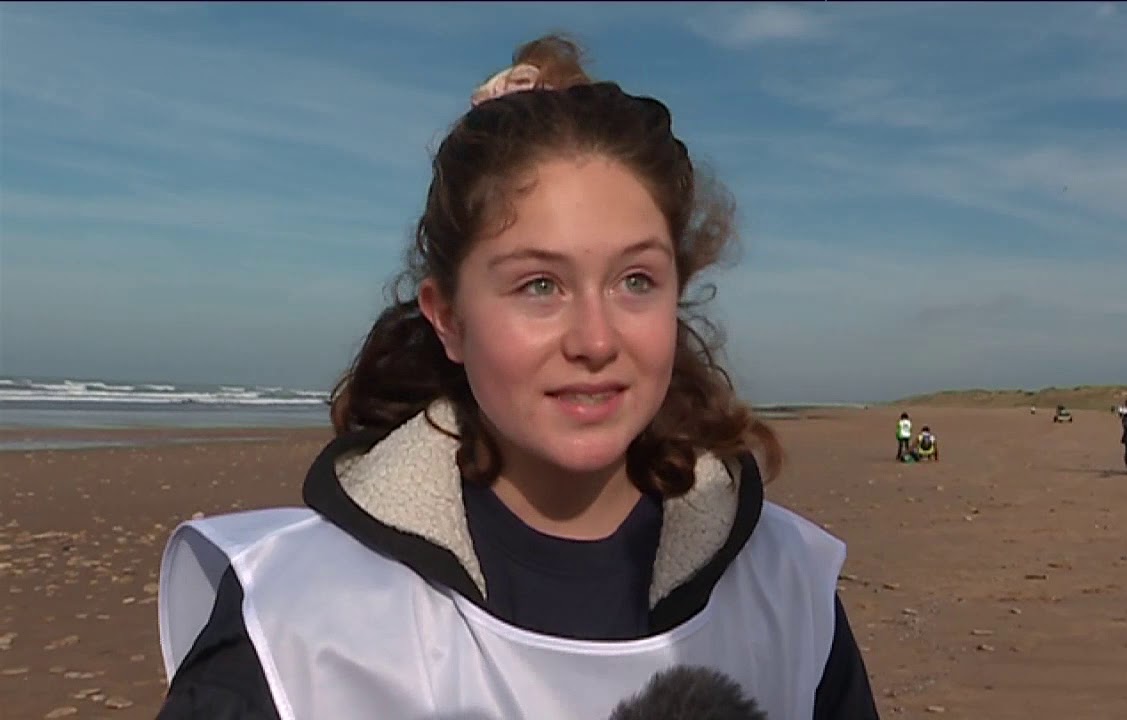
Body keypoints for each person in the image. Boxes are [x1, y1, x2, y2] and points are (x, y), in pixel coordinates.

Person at [153, 35, 879, 720]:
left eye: (635, 280)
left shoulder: (786, 589)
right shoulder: (295, 622)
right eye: (539, 285)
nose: (595, 340)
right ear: (449, 319)